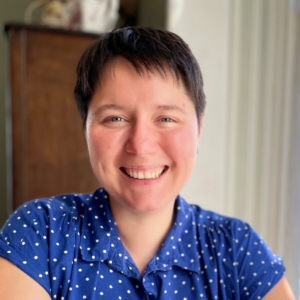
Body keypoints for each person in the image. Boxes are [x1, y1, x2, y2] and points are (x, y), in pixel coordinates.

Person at [0, 27, 295, 300]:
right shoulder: (40, 233)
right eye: (115, 118)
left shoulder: (236, 248)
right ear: (85, 128)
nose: (140, 145)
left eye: (166, 118)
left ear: (199, 129)